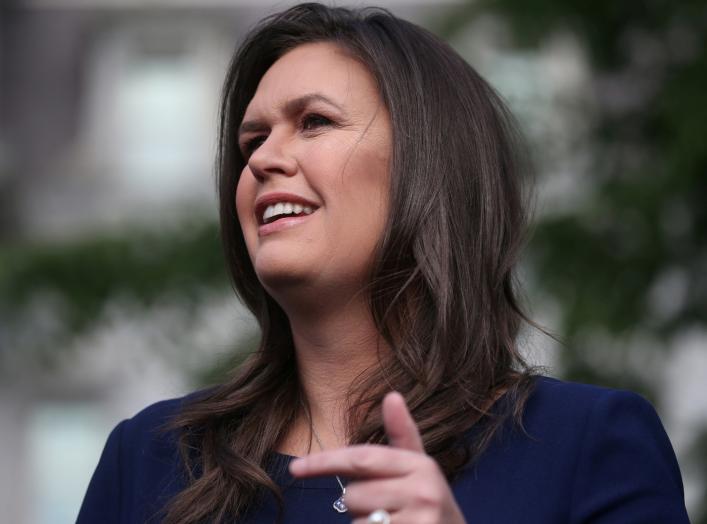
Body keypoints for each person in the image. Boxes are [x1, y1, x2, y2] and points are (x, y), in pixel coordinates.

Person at [77, 3, 690, 523]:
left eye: (313, 122)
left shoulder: (589, 445)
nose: (263, 159)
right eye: (251, 141)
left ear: (428, 169)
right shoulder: (150, 460)